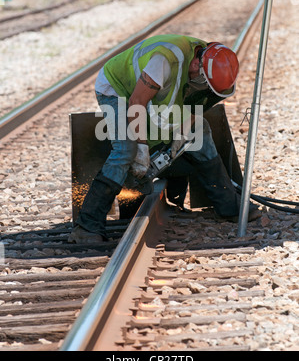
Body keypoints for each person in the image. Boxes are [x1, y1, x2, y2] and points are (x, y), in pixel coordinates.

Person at [68, 34, 260, 244]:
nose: (203, 86)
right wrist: (141, 147)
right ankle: (87, 226)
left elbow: (196, 107)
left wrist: (183, 133)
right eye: (203, 81)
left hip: (150, 91)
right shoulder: (166, 60)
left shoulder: (208, 69)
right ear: (197, 63)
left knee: (200, 133)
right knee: (125, 148)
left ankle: (229, 206)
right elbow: (137, 101)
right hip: (118, 88)